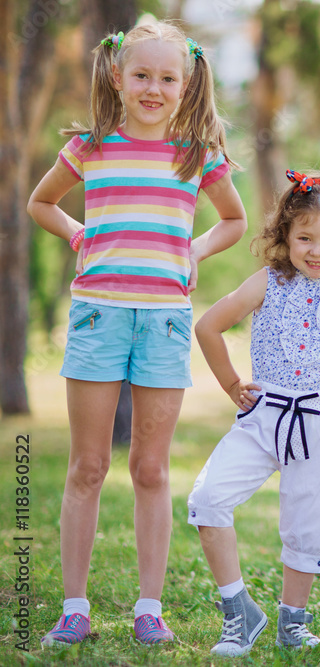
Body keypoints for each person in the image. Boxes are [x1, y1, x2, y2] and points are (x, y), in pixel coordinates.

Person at [27, 22, 247, 647]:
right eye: (142, 75)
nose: (154, 88)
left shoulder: (195, 153)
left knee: (150, 468)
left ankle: (149, 608)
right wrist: (78, 236)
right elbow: (40, 203)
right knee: (88, 465)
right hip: (99, 313)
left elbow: (234, 220)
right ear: (118, 77)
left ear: (187, 83)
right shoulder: (92, 146)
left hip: (165, 320)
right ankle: (75, 607)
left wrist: (192, 250)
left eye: (168, 78)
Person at [187, 170, 320, 655]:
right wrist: (234, 385)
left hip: (318, 422)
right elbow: (210, 326)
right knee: (208, 499)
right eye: (304, 238)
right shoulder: (267, 282)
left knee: (309, 524)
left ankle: (291, 622)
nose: (316, 250)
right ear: (285, 237)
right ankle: (240, 613)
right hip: (262, 415)